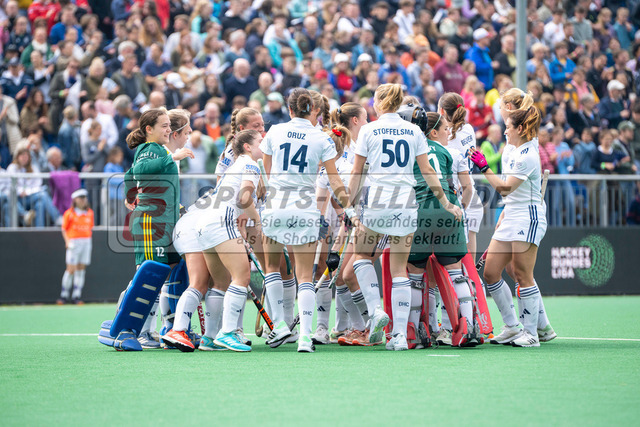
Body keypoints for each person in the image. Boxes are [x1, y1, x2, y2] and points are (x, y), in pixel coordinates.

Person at [349, 83, 461, 350]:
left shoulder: (368, 130)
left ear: (379, 102)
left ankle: (376, 310)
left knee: (361, 256)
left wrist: (348, 205)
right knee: (400, 270)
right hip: (406, 203)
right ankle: (399, 335)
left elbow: (357, 172)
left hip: (378, 202)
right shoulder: (414, 131)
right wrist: (446, 202)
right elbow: (428, 171)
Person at [260, 87, 353, 352]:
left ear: (289, 109)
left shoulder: (275, 131)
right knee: (305, 277)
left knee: (272, 268)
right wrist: (351, 210)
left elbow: (265, 174)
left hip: (276, 206)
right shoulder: (321, 138)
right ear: (314, 110)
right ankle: (304, 337)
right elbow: (335, 181)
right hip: (305, 208)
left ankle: (280, 325)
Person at [163, 129, 264, 352]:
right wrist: (259, 222)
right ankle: (227, 332)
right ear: (247, 147)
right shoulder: (250, 164)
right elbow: (244, 198)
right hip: (219, 222)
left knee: (220, 283)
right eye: (260, 141)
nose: (264, 144)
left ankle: (209, 338)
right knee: (241, 277)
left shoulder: (234, 166)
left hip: (204, 224)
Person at [105, 108, 194, 351]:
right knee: (148, 275)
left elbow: (130, 175)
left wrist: (130, 196)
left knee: (168, 272)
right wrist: (172, 158)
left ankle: (165, 327)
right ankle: (139, 329)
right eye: (164, 126)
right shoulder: (150, 149)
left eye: (169, 126)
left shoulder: (160, 150)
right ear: (149, 129)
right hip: (150, 222)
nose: (168, 130)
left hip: (163, 222)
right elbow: (141, 170)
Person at [470, 106, 552, 347]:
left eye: (508, 127)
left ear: (521, 129)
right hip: (511, 214)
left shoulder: (528, 155)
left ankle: (531, 333)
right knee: (491, 272)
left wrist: (484, 167)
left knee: (522, 274)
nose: (505, 131)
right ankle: (512, 326)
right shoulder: (513, 150)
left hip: (528, 216)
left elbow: (505, 188)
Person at [401, 109, 476, 347]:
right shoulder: (449, 152)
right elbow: (457, 184)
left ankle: (415, 331)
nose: (448, 133)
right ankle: (469, 326)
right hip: (448, 208)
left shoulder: (409, 148)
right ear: (432, 132)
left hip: (420, 209)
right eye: (445, 129)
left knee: (415, 273)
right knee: (455, 271)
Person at [438, 93, 484, 260]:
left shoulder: (445, 136)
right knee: (469, 263)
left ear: (442, 111)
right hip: (472, 195)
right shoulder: (469, 129)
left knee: (452, 261)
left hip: (458, 197)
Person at [57, 189, 94, 305]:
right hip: (74, 242)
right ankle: (64, 295)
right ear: (75, 200)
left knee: (81, 268)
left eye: (84, 198)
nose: (83, 200)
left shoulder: (89, 213)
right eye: (80, 198)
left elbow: (90, 227)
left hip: (86, 242)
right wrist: (67, 242)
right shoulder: (69, 213)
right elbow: (64, 229)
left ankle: (76, 295)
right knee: (71, 269)